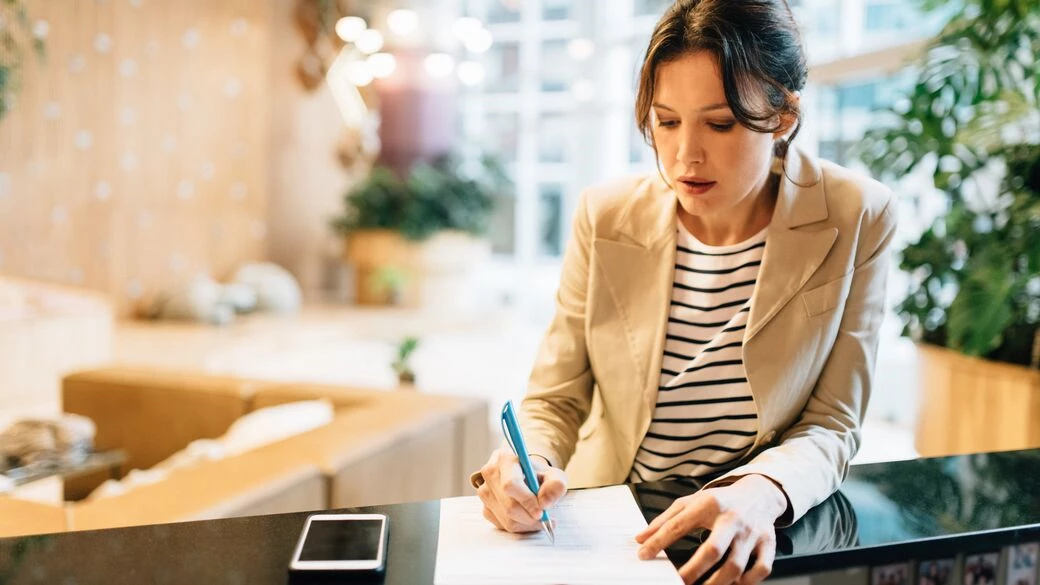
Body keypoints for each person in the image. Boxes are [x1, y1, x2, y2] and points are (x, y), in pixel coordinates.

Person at [471, 1, 897, 583]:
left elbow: (833, 422)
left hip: (754, 527)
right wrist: (532, 464)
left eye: (719, 124)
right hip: (615, 524)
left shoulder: (857, 214)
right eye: (667, 122)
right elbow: (556, 399)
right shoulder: (605, 215)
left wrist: (762, 488)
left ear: (784, 115)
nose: (684, 156)